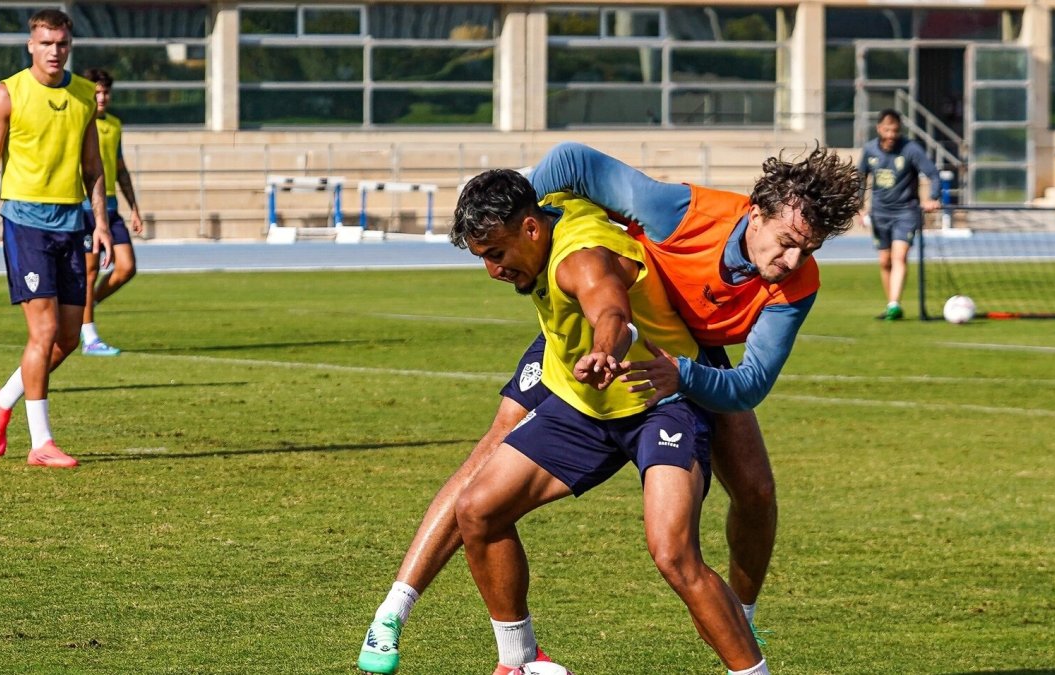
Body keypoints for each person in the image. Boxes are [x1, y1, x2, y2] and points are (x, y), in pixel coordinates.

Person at [357, 143, 863, 674]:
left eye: (808, 250)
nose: (791, 262)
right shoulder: (679, 212)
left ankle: (742, 621)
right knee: (484, 483)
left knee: (748, 496)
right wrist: (513, 203)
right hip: (592, 358)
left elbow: (748, 379)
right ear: (755, 213)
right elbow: (570, 164)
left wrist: (668, 368)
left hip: (671, 364)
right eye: (786, 244)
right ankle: (432, 623)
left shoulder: (795, 284)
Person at [451, 169, 768, 675]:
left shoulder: (581, 259)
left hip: (658, 399)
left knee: (673, 553)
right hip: (587, 407)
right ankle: (519, 663)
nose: (492, 270)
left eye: (496, 254)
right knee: (478, 510)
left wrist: (604, 352)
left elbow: (613, 315)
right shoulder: (551, 207)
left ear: (532, 229)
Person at [0, 8, 110, 468]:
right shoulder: (7, 94)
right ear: (31, 45)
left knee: (67, 339)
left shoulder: (84, 94)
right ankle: (41, 443)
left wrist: (103, 224)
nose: (55, 51)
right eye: (46, 43)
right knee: (44, 330)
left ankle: (2, 398)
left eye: (62, 44)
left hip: (72, 223)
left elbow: (92, 167)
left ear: (70, 45)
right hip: (25, 223)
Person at [79, 67, 144, 356]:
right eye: (97, 91)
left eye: (106, 91)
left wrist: (134, 207)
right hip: (85, 207)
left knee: (127, 267)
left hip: (111, 208)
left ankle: (84, 308)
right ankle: (90, 337)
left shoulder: (114, 124)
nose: (102, 97)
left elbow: (119, 167)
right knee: (90, 272)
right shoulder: (79, 122)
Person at [857, 109, 942, 320]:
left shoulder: (911, 149)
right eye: (887, 130)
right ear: (879, 129)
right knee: (885, 261)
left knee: (899, 256)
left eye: (895, 130)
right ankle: (891, 305)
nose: (891, 135)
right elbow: (860, 179)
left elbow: (933, 173)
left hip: (906, 212)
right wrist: (859, 207)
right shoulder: (869, 150)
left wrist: (933, 197)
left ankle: (895, 304)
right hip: (880, 213)